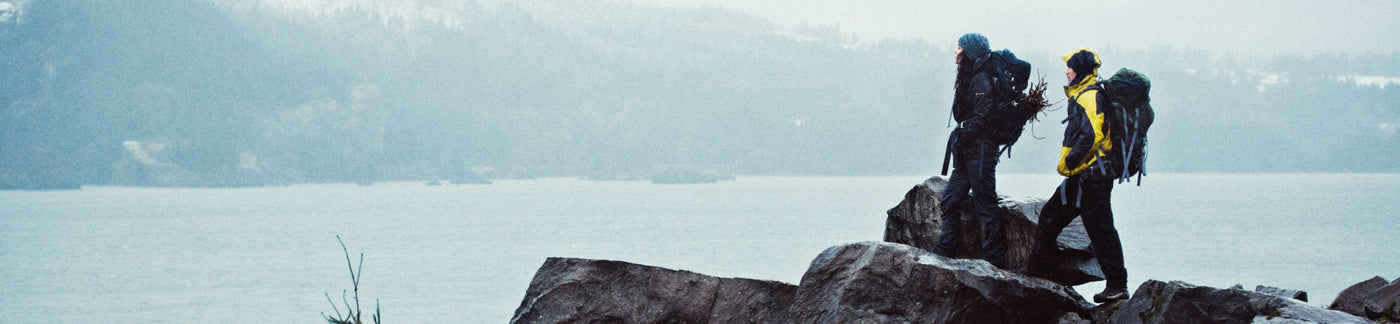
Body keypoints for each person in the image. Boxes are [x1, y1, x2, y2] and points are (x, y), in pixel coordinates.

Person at [1027, 48, 1129, 303]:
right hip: (1083, 175)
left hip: (1094, 175)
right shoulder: (1084, 94)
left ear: (1080, 70)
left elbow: (1093, 134)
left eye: (1070, 67)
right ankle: (1038, 275)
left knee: (1101, 230)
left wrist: (1072, 159)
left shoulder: (1090, 95)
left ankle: (1117, 285)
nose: (1066, 71)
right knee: (1050, 215)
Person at [931, 33, 1007, 268]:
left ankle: (993, 258)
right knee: (950, 200)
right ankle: (945, 249)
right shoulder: (970, 77)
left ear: (968, 52)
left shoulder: (981, 80)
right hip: (967, 151)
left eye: (958, 47)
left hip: (981, 151)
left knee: (985, 204)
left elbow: (984, 117)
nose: (955, 51)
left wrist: (963, 133)